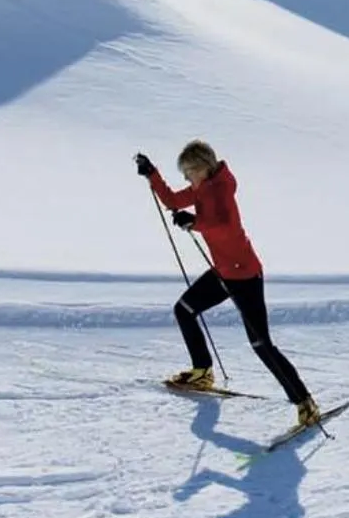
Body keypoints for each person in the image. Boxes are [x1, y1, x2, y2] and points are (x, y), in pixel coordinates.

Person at [137, 141, 322, 432]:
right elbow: (173, 200)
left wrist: (194, 223)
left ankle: (305, 403)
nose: (187, 179)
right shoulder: (202, 187)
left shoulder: (221, 189)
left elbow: (224, 224)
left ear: (201, 167)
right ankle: (201, 372)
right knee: (184, 309)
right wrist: (152, 175)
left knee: (261, 344)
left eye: (188, 173)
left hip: (245, 275)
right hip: (224, 272)